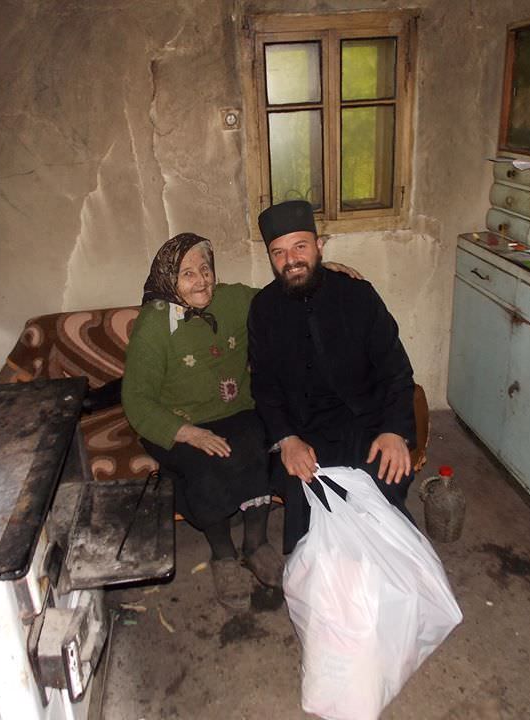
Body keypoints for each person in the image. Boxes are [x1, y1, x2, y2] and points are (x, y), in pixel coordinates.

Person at [122, 232, 361, 610]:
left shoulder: (232, 300)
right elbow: (136, 400)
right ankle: (223, 555)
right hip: (179, 421)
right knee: (207, 467)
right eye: (188, 274)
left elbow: (280, 297)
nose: (202, 281)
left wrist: (320, 272)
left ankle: (256, 544)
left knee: (259, 446)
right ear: (169, 278)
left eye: (205, 269)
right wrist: (189, 433)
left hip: (236, 411)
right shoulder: (153, 325)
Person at [247, 200, 418, 554]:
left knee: (381, 489)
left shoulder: (358, 295)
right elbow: (264, 385)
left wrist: (394, 430)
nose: (291, 260)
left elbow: (395, 369)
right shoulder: (263, 308)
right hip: (303, 431)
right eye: (279, 252)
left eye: (300, 246)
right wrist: (287, 439)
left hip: (367, 423)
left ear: (320, 246)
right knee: (310, 500)